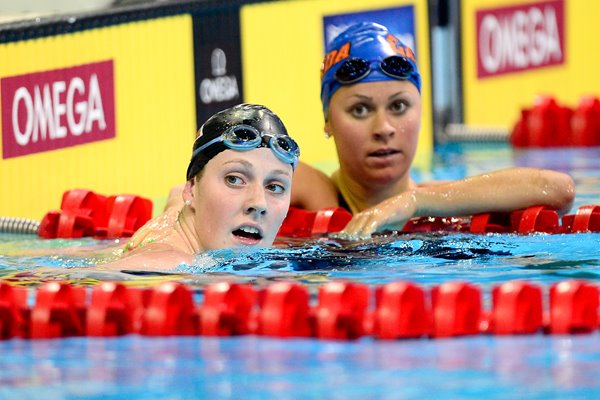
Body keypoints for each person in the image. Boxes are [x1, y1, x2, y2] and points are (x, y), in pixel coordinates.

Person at [291, 21, 575, 238]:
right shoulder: (316, 192)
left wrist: (415, 202)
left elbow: (558, 189)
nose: (384, 128)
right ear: (328, 120)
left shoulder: (441, 201)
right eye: (360, 110)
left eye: (399, 106)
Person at [105, 103, 300, 270]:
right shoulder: (165, 266)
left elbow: (175, 193)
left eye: (274, 187)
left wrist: (172, 212)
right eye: (234, 179)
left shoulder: (181, 218)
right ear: (190, 189)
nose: (259, 203)